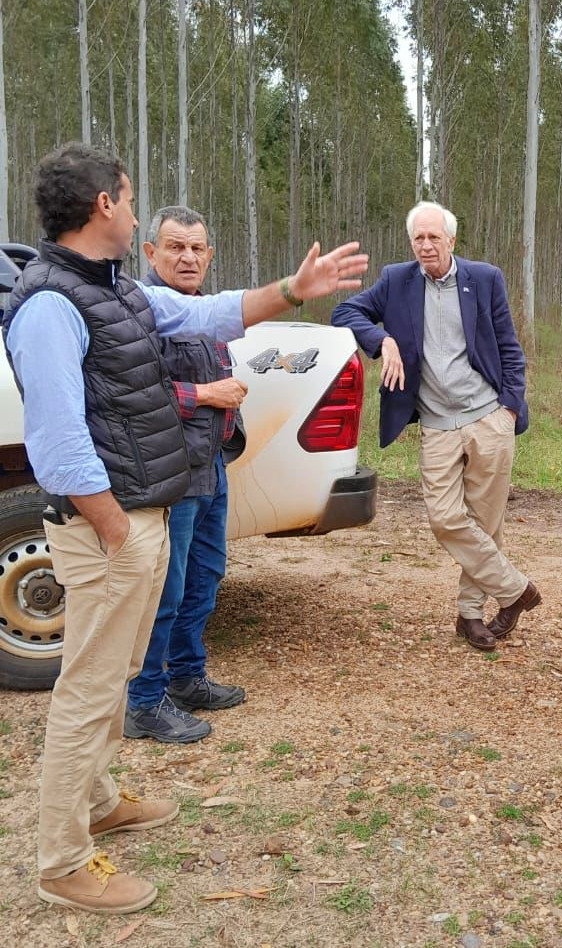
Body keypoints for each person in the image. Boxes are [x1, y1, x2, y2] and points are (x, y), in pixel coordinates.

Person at [1, 142, 366, 914]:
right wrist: (115, 530)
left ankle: (96, 801)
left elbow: (206, 312)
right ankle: (64, 862)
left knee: (110, 675)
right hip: (108, 529)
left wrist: (292, 291)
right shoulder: (49, 306)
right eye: (130, 199)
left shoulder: (115, 290)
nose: (135, 211)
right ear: (104, 204)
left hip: (139, 518)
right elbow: (58, 442)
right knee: (88, 688)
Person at [331, 200, 539, 651]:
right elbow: (344, 313)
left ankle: (470, 615)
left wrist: (509, 407)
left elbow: (509, 347)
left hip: (488, 415)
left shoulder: (484, 279)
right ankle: (515, 589)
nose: (425, 245)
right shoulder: (396, 281)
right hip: (437, 423)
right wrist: (382, 339)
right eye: (418, 238)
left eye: (433, 237)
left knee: (485, 520)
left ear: (451, 240)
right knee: (446, 518)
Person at [124, 206, 248, 743]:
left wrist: (227, 421)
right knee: (163, 593)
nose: (188, 257)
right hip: (169, 474)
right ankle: (143, 702)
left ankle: (186, 678)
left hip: (210, 468)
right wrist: (205, 395)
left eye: (197, 248)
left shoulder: (203, 313)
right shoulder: (141, 313)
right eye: (175, 247)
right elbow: (130, 398)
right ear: (149, 253)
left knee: (204, 579)